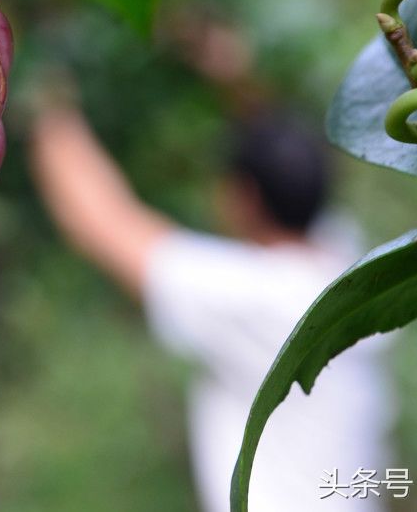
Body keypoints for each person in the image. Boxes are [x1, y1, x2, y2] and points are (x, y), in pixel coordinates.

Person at [29, 92, 393, 511]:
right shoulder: (345, 261)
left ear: (245, 197)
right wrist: (231, 79)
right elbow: (284, 150)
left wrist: (45, 100)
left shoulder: (257, 300)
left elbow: (99, 222)